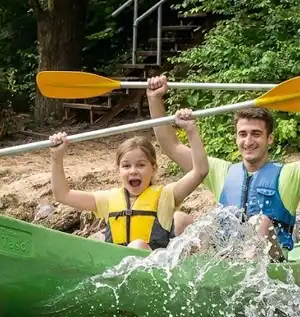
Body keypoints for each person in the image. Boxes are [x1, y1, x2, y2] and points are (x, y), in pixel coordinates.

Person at [145, 74, 300, 261]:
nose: (248, 141)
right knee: (181, 220)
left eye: (256, 134)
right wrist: (155, 99)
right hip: (228, 254)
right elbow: (171, 147)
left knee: (258, 221)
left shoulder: (289, 175)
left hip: (270, 261)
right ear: (236, 138)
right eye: (243, 134)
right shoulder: (221, 171)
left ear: (270, 139)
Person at [49, 108, 209, 251]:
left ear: (153, 169)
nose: (133, 171)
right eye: (126, 166)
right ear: (118, 170)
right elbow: (62, 195)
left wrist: (191, 131)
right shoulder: (108, 199)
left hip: (151, 269)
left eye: (140, 165)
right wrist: (57, 157)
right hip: (118, 269)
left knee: (140, 244)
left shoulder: (166, 196)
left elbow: (200, 172)